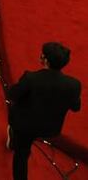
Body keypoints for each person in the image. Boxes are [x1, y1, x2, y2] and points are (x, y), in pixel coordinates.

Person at [7, 42, 83, 180]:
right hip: (50, 129)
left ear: (45, 60)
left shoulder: (30, 78)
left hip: (25, 126)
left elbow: (12, 95)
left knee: (21, 156)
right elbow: (76, 107)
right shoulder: (74, 85)